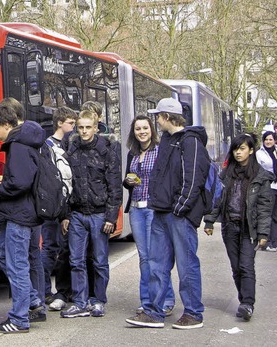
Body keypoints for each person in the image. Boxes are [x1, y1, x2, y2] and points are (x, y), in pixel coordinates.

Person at [126, 97, 210, 329]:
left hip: (178, 214)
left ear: (166, 117)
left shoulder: (190, 141)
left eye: (158, 116)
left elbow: (194, 178)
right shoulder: (167, 140)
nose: (156, 121)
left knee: (186, 265)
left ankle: (193, 313)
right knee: (156, 264)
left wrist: (181, 207)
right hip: (161, 211)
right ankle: (154, 312)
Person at [0, 103, 45, 333]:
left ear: (7, 125)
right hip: (19, 212)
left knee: (17, 265)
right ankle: (34, 301)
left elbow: (20, 182)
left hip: (19, 213)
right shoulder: (25, 141)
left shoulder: (17, 145)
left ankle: (19, 319)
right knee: (2, 253)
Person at [203, 133, 274, 321]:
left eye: (242, 148)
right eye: (235, 149)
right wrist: (209, 221)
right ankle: (244, 301)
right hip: (229, 226)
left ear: (251, 150)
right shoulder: (226, 174)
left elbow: (265, 208)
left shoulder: (261, 176)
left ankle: (248, 303)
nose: (238, 152)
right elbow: (217, 199)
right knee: (236, 267)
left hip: (249, 229)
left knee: (246, 266)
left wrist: (263, 233)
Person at [60, 109, 122, 318]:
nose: (84, 131)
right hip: (77, 213)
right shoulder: (72, 149)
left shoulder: (107, 150)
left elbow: (114, 186)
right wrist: (66, 215)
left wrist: (111, 217)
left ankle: (98, 300)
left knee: (99, 261)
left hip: (99, 214)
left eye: (88, 127)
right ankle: (79, 301)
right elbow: (66, 184)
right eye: (81, 127)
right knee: (76, 260)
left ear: (96, 128)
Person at [123, 115, 176, 317]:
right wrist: (128, 182)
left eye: (145, 128)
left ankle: (166, 299)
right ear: (133, 132)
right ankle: (146, 300)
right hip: (136, 209)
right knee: (144, 258)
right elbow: (128, 180)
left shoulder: (160, 150)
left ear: (151, 130)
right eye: (138, 129)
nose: (142, 132)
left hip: (154, 209)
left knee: (157, 257)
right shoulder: (133, 153)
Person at [40, 106, 76, 311]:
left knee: (60, 249)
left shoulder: (67, 143)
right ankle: (45, 290)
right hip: (52, 206)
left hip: (62, 205)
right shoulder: (49, 145)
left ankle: (57, 290)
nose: (73, 127)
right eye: (70, 123)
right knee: (50, 248)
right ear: (60, 123)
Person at [255, 131, 277, 252]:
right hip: (267, 187)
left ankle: (275, 241)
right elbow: (258, 170)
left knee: (276, 216)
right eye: (266, 140)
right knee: (267, 214)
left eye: (271, 139)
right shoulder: (259, 154)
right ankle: (267, 242)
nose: (268, 142)